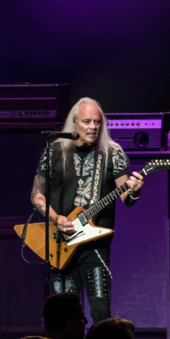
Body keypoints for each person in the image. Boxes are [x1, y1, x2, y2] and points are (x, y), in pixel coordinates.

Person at [29, 97, 144, 324]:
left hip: (95, 247)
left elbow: (126, 198)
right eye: (87, 121)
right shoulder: (54, 153)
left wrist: (134, 191)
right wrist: (56, 218)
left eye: (97, 122)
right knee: (65, 317)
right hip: (61, 243)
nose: (93, 127)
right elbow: (37, 195)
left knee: (101, 312)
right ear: (74, 123)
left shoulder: (113, 152)